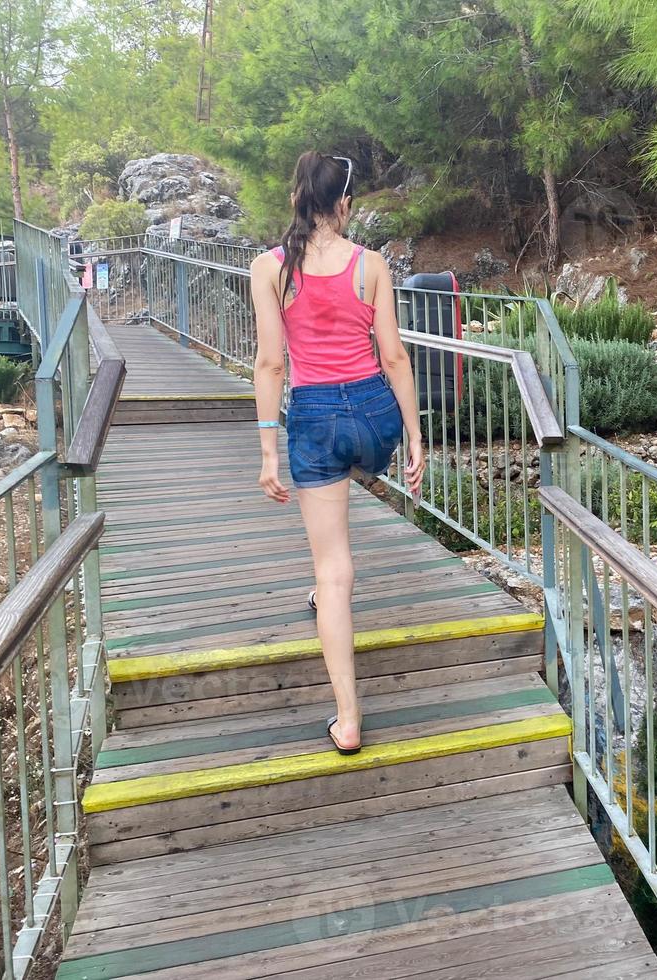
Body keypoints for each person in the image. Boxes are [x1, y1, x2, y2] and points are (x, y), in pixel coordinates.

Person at [250, 151, 424, 755]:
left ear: (300, 199)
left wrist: (269, 451)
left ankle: (347, 719)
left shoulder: (269, 269)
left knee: (333, 568)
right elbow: (395, 356)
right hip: (375, 419)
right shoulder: (370, 264)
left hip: (316, 419)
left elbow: (272, 364)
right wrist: (415, 436)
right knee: (357, 456)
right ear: (343, 203)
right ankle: (361, 468)